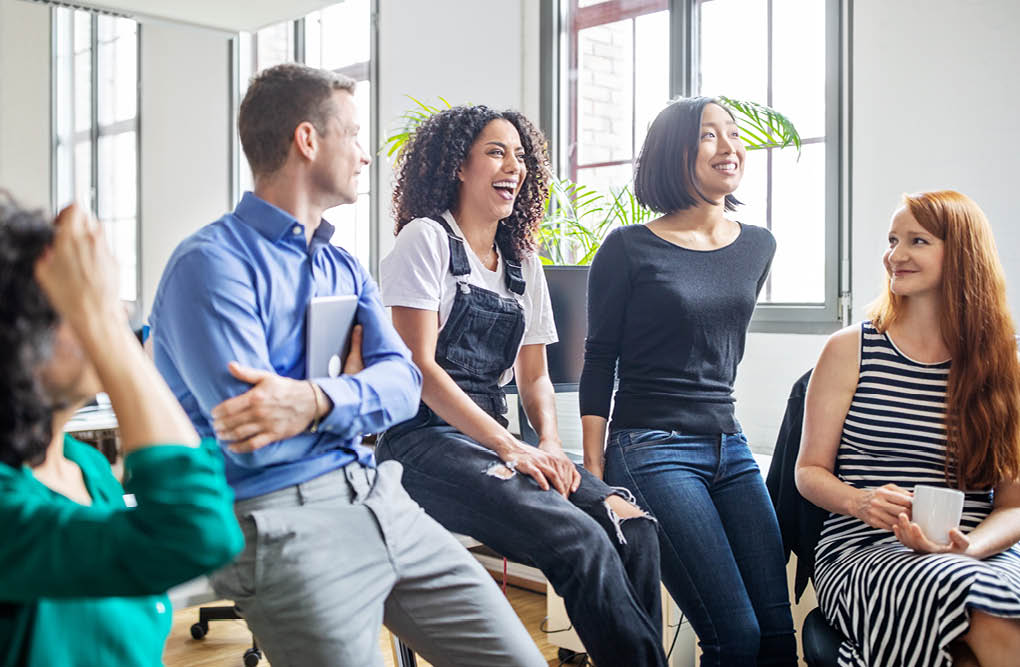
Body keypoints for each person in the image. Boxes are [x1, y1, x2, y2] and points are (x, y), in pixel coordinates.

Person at [148, 65, 544, 667]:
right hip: (281, 519)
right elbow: (256, 437)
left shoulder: (342, 266)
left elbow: (405, 383)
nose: (364, 156)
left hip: (376, 497)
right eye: (354, 136)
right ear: (308, 140)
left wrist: (316, 400)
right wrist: (357, 389)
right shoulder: (210, 265)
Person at [377, 104, 667, 667]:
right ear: (458, 165)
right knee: (578, 540)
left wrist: (550, 446)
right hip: (422, 443)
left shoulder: (521, 262)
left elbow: (534, 375)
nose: (515, 166)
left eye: (521, 156)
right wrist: (511, 447)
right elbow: (420, 369)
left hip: (493, 438)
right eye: (495, 152)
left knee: (634, 528)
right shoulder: (427, 240)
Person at [579, 96, 798, 666]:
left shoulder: (758, 246)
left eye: (733, 134)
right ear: (673, 154)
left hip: (730, 445)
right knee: (736, 636)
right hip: (650, 448)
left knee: (777, 634)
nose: (729, 147)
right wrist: (596, 481)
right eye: (708, 136)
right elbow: (599, 360)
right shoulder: (627, 249)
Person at [0, 196, 242, 665]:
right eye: (78, 305)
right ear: (22, 341)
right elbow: (199, 529)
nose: (111, 314)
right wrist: (106, 327)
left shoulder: (86, 466)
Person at [797, 190, 1020, 667]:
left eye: (917, 241)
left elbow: (1014, 505)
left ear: (962, 255)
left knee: (980, 611)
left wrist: (965, 549)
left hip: (978, 549)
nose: (895, 255)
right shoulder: (850, 350)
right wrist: (860, 501)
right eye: (893, 240)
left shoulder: (1007, 364)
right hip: (865, 550)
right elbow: (808, 471)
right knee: (985, 610)